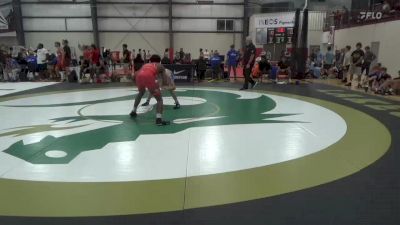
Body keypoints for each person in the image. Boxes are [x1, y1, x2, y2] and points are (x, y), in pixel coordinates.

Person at [130, 55, 170, 126]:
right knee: (159, 99)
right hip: (148, 76)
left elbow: (135, 75)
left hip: (139, 75)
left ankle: (133, 111)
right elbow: (165, 81)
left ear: (150, 61)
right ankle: (159, 120)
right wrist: (163, 85)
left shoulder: (146, 64)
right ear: (159, 61)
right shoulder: (160, 66)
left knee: (141, 92)